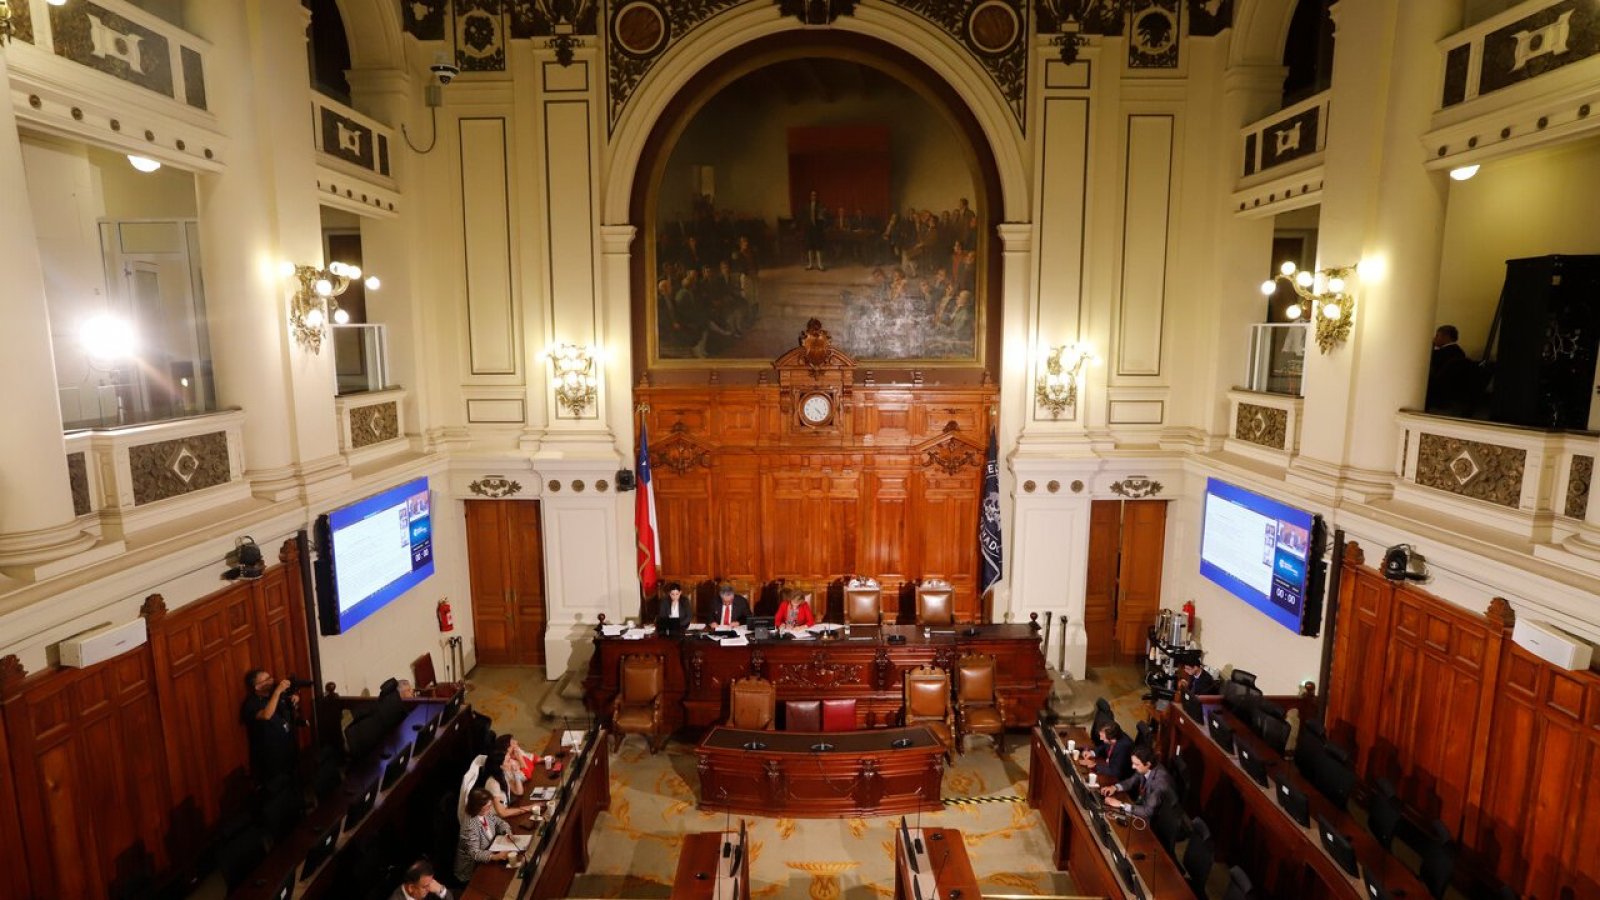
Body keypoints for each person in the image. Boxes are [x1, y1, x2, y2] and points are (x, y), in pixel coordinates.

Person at [239, 669, 299, 785]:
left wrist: (295, 699)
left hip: (288, 750)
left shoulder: (274, 695)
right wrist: (277, 692)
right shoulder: (251, 703)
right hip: (270, 758)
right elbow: (266, 715)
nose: (271, 680)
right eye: (266, 680)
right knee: (279, 790)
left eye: (270, 677)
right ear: (257, 687)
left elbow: (288, 707)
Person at [1101, 745, 1178, 821]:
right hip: (1142, 805)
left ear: (1148, 764)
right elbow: (1131, 781)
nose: (1133, 767)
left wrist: (1121, 805)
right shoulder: (1144, 768)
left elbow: (1147, 812)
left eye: (1136, 764)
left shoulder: (1159, 783)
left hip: (1155, 819)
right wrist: (1115, 787)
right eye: (1133, 763)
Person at [455, 788, 514, 883]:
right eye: (488, 806)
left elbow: (499, 822)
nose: (490, 808)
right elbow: (475, 853)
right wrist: (496, 857)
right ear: (477, 807)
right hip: (473, 869)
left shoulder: (485, 812)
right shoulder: (469, 826)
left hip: (489, 851)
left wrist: (507, 832)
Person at [475, 749, 536, 821]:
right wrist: (529, 808)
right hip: (494, 820)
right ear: (501, 766)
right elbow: (502, 813)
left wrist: (516, 773)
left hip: (505, 812)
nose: (511, 762)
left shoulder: (504, 774)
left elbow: (519, 792)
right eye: (508, 761)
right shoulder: (493, 783)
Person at [1426, 324, 1473, 413]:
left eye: (1437, 335)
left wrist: (1433, 347)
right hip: (1450, 389)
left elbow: (1430, 365)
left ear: (1446, 337)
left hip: (1436, 387)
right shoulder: (1459, 351)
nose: (1434, 338)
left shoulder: (1441, 353)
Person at [803, 189, 828, 271]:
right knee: (809, 246)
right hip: (809, 229)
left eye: (814, 195)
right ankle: (810, 264)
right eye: (812, 195)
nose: (813, 197)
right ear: (810, 196)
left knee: (818, 246)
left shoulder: (820, 205)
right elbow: (804, 216)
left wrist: (822, 215)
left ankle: (819, 265)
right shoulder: (806, 205)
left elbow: (823, 216)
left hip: (817, 229)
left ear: (816, 197)